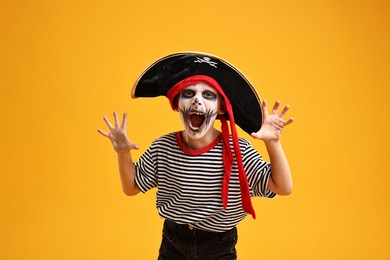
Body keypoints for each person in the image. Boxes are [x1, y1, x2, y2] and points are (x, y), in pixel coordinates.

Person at [98, 52, 294, 259]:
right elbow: (131, 187)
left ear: (220, 108)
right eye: (188, 93)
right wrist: (123, 154)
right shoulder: (162, 148)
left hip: (219, 245)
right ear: (177, 104)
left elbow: (282, 187)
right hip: (174, 241)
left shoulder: (239, 151)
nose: (197, 100)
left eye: (208, 95)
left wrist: (273, 143)